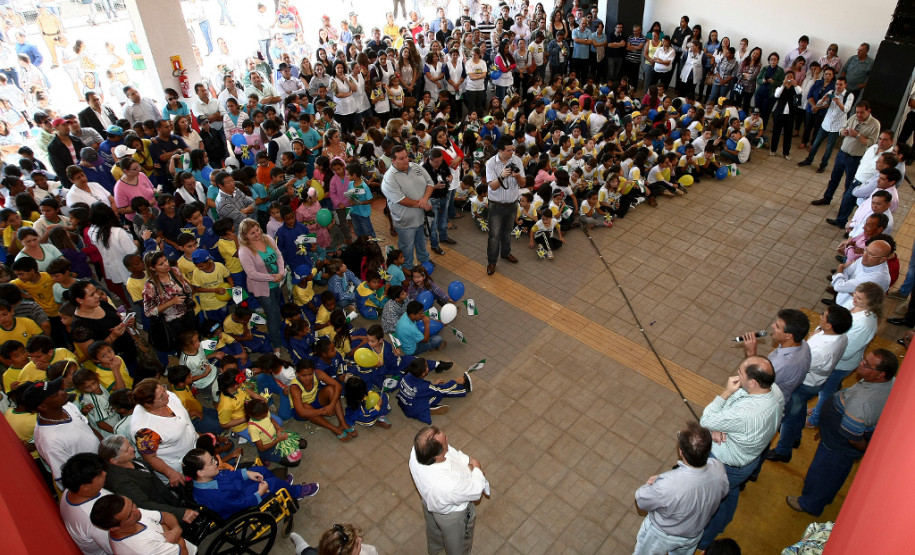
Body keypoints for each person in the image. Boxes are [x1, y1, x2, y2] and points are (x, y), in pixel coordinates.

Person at [786, 349, 897, 516]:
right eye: (863, 360)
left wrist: (858, 448)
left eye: (866, 365)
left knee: (825, 472)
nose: (861, 364)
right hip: (835, 436)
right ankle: (821, 491)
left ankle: (810, 504)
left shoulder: (862, 402)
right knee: (832, 473)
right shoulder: (889, 383)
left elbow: (853, 437)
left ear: (881, 374)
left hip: (838, 444)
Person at [696, 357, 784, 550]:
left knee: (714, 502)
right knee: (730, 491)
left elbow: (707, 419)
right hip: (746, 462)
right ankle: (725, 521)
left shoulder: (749, 413)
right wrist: (721, 426)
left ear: (752, 382)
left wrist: (726, 393)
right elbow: (733, 409)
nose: (736, 375)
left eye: (740, 373)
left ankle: (704, 542)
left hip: (727, 465)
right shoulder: (774, 391)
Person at [766, 306, 852, 463]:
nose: (821, 316)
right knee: (798, 412)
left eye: (824, 316)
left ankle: (784, 450)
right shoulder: (841, 336)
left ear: (829, 326)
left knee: (789, 418)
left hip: (805, 385)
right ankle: (796, 437)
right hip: (812, 383)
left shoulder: (820, 350)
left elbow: (800, 364)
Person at [633, 422, 729, 555]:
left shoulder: (667, 484)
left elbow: (641, 500)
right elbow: (723, 492)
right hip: (693, 534)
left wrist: (653, 484)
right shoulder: (719, 469)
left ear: (681, 452)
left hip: (661, 536)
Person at [409, 425, 489, 555]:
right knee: (457, 545)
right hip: (453, 517)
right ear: (437, 456)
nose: (448, 439)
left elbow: (449, 451)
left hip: (430, 503)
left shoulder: (417, 450)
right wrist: (477, 467)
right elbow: (476, 491)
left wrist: (467, 460)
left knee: (434, 530)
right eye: (445, 440)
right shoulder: (448, 485)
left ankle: (435, 549)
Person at [100, 434, 198, 525]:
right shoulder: (121, 482)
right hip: (163, 515)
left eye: (130, 444)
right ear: (114, 460)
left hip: (166, 499)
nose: (133, 449)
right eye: (126, 450)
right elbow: (144, 505)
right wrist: (179, 513)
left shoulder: (130, 460)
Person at [129, 378, 198, 487]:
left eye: (164, 390)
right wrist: (170, 473)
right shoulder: (145, 432)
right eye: (162, 396)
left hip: (193, 451)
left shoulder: (167, 396)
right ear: (148, 404)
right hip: (178, 466)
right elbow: (150, 458)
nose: (167, 395)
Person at [810, 101, 881, 206]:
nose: (858, 115)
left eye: (861, 112)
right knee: (834, 178)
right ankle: (827, 198)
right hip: (842, 153)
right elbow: (843, 127)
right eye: (857, 112)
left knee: (849, 183)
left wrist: (857, 136)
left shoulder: (875, 124)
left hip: (855, 158)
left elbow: (871, 143)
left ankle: (844, 205)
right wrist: (842, 132)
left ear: (868, 111)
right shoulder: (853, 117)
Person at [89, 494, 196, 554]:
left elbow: (165, 516)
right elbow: (182, 548)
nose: (137, 511)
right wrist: (170, 530)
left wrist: (176, 531)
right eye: (129, 515)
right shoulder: (141, 549)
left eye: (132, 504)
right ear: (114, 528)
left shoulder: (133, 514)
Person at [381, 145, 433, 268]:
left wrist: (425, 199)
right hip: (406, 223)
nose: (406, 160)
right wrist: (421, 205)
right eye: (401, 158)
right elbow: (401, 200)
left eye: (406, 157)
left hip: (423, 218)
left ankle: (424, 260)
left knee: (422, 242)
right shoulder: (389, 178)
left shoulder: (415, 167)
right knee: (407, 247)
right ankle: (407, 268)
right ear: (393, 160)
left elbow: (430, 183)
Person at [238, 218, 285, 353]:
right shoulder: (244, 251)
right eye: (252, 233)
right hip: (264, 288)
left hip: (277, 282)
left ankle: (279, 334)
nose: (257, 234)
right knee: (272, 315)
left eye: (257, 230)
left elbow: (279, 256)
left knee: (277, 310)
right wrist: (272, 277)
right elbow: (252, 273)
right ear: (245, 235)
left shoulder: (267, 238)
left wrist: (280, 273)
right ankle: (276, 344)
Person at [59, 452, 114, 555]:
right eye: (99, 474)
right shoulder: (97, 519)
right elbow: (115, 549)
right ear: (85, 487)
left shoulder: (70, 491)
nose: (104, 473)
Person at [484, 136, 524, 275]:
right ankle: (492, 262)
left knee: (507, 233)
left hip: (512, 204)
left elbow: (523, 183)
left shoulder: (517, 160)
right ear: (500, 151)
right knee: (494, 235)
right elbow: (493, 187)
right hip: (496, 206)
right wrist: (502, 176)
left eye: (512, 149)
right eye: (508, 150)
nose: (512, 152)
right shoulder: (490, 164)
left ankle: (506, 254)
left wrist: (517, 176)